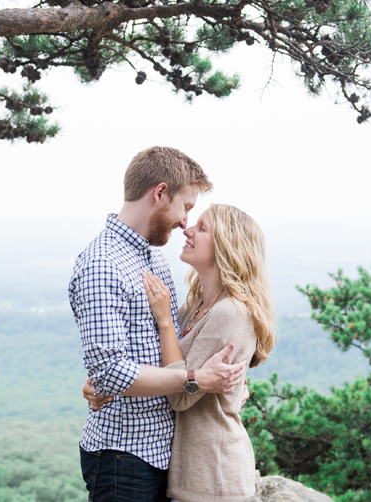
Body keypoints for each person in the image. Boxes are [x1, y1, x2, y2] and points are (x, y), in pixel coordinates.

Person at [69, 147, 248, 502]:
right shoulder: (102, 264)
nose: (185, 222)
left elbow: (181, 342)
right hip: (124, 455)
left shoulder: (153, 256)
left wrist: (233, 380)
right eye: (186, 207)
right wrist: (196, 380)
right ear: (160, 193)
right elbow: (110, 372)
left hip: (165, 454)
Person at [91, 204, 277, 502]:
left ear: (226, 247)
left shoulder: (230, 313)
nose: (187, 229)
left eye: (202, 228)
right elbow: (159, 361)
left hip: (213, 478)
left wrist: (164, 320)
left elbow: (179, 393)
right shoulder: (197, 307)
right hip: (191, 473)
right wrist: (107, 382)